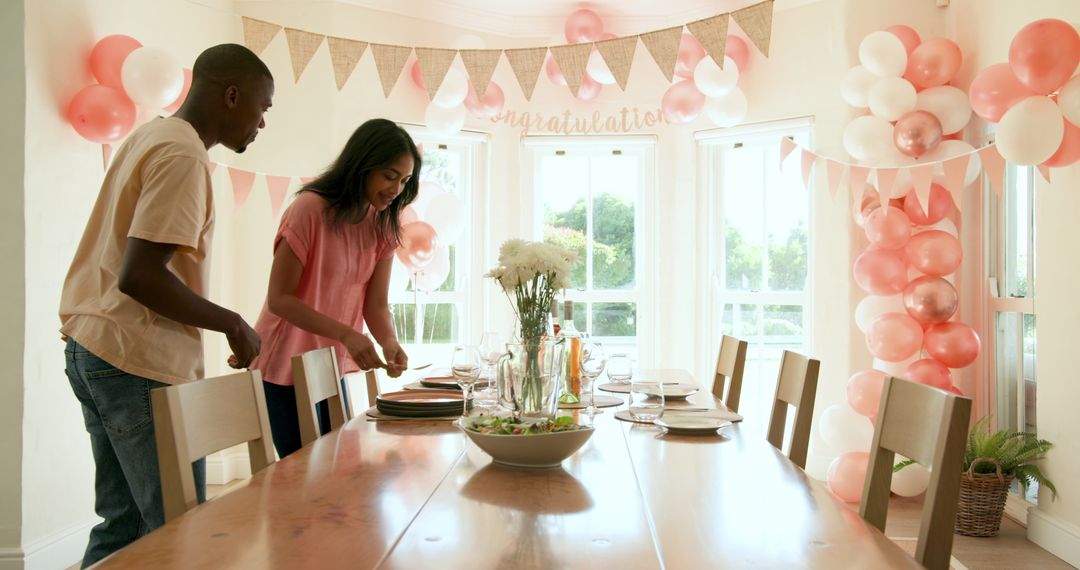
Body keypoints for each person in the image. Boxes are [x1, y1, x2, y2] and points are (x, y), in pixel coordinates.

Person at [59, 44, 273, 567]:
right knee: (177, 536)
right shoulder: (183, 155)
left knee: (124, 526)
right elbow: (140, 275)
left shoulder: (151, 134)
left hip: (94, 344)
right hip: (135, 359)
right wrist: (231, 323)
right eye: (262, 107)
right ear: (231, 96)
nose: (262, 123)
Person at [251, 118, 418, 458]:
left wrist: (388, 341)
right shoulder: (309, 209)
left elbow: (375, 305)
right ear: (363, 165)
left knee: (333, 468)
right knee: (304, 475)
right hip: (283, 367)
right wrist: (347, 335)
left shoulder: (382, 225)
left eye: (404, 180)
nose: (397, 189)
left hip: (329, 366)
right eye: (389, 176)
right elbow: (280, 299)